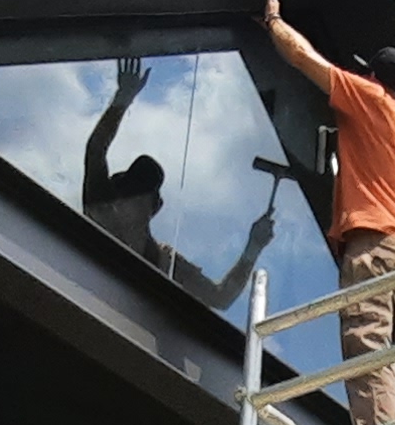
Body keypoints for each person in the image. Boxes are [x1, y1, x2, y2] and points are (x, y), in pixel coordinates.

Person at [259, 0, 395, 425]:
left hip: (373, 248)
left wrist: (275, 23)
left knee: (368, 349)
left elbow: (303, 59)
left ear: (376, 80)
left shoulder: (372, 101)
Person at [81, 54, 274, 309]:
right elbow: (96, 150)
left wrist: (253, 247)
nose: (133, 200)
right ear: (115, 197)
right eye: (129, 191)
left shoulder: (165, 261)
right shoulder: (101, 216)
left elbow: (220, 297)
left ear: (155, 207)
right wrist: (123, 99)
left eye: (141, 193)